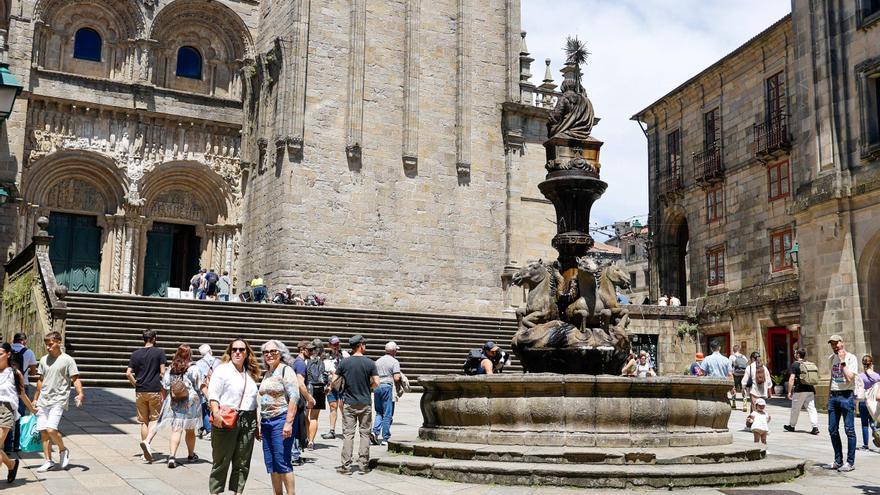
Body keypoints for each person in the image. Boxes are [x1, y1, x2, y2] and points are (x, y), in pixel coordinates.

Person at [208, 339, 261, 495]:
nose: (238, 352)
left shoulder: (250, 373)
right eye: (234, 349)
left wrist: (256, 424)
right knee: (221, 461)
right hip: (226, 418)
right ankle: (215, 492)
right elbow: (213, 394)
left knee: (243, 462)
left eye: (241, 350)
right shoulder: (222, 370)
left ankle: (238, 492)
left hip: (248, 419)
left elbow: (253, 401)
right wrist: (216, 414)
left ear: (247, 353)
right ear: (230, 352)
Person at [33, 331, 84, 472]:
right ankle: (48, 461)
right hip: (44, 399)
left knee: (51, 429)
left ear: (59, 342)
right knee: (43, 432)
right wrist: (35, 398)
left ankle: (63, 450)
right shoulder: (43, 359)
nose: (48, 348)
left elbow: (75, 378)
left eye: (51, 344)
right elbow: (41, 380)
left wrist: (80, 394)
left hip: (59, 399)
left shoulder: (68, 360)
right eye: (46, 345)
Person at [258, 340, 299, 495]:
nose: (269, 355)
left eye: (273, 351)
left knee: (282, 461)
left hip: (281, 420)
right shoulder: (267, 373)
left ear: (281, 353)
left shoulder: (286, 370)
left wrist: (288, 423)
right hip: (267, 421)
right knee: (272, 463)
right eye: (266, 352)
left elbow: (294, 397)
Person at [334, 335, 379, 475]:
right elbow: (377, 383)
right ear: (360, 345)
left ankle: (346, 466)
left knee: (348, 434)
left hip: (349, 402)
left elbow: (334, 381)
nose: (365, 346)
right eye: (364, 344)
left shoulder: (344, 363)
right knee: (365, 433)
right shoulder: (370, 363)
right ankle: (363, 464)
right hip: (365, 402)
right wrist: (368, 386)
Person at [153, 345, 203, 468]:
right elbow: (200, 385)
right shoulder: (193, 368)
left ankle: (172, 456)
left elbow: (164, 386)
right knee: (190, 430)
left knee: (176, 429)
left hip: (175, 400)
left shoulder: (171, 368)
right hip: (190, 401)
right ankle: (191, 455)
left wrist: (163, 400)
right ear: (190, 355)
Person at [126, 329, 167, 462]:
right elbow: (162, 372)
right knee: (155, 419)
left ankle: (145, 451)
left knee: (143, 421)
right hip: (154, 389)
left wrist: (136, 384)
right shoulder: (159, 352)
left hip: (140, 390)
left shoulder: (135, 354)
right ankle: (147, 444)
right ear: (154, 338)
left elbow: (128, 373)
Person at [0, 342, 36, 483]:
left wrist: (33, 410)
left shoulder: (15, 373)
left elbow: (22, 395)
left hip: (6, 411)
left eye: (1, 353)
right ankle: (12, 464)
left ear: (8, 354)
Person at [827, 334, 858, 472]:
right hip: (834, 396)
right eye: (832, 344)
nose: (834, 347)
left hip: (846, 396)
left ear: (842, 343)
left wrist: (842, 361)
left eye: (836, 344)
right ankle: (838, 460)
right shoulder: (831, 358)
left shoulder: (852, 358)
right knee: (832, 429)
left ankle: (850, 463)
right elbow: (832, 378)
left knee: (849, 430)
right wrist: (829, 395)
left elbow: (850, 378)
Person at [4, 332, 37, 454]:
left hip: (7, 385)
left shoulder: (6, 351)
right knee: (21, 415)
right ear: (24, 341)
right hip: (23, 385)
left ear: (14, 340)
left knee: (7, 415)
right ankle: (17, 444)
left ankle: (7, 446)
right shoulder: (28, 352)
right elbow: (33, 372)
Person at [371, 341, 401, 446]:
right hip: (387, 387)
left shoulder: (378, 361)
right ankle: (385, 438)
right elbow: (397, 378)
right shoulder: (394, 362)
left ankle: (374, 431)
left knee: (379, 412)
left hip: (377, 386)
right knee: (387, 413)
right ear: (393, 351)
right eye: (396, 350)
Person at [784, 349, 820, 435]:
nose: (794, 354)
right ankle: (815, 427)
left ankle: (792, 426)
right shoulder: (808, 363)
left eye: (795, 353)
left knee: (795, 409)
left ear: (798, 355)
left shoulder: (795, 364)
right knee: (812, 409)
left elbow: (792, 378)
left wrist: (789, 392)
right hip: (810, 389)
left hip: (800, 390)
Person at [291, 341, 316, 465]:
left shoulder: (296, 362)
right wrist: (309, 398)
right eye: (309, 350)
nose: (312, 352)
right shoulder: (300, 364)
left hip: (296, 399)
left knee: (296, 426)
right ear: (302, 350)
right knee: (297, 427)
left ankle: (294, 453)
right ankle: (294, 455)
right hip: (298, 399)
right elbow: (300, 383)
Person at [321, 336, 349, 440]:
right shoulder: (326, 357)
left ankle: (347, 429)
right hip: (331, 385)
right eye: (334, 344)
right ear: (330, 345)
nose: (336, 346)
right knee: (333, 407)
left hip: (342, 385)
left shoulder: (345, 355)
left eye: (337, 344)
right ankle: (332, 431)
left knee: (343, 407)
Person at [305, 339, 327, 451]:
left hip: (307, 388)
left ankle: (306, 437)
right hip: (319, 389)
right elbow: (330, 375)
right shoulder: (325, 361)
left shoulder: (305, 360)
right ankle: (311, 441)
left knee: (305, 415)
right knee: (314, 417)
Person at [196, 344, 219, 440]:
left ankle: (209, 430)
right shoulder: (218, 361)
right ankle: (215, 428)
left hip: (205, 388)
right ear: (210, 350)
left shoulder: (198, 363)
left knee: (204, 409)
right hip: (217, 387)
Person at [856, 355, 880, 450]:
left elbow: (859, 392)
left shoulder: (860, 376)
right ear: (871, 363)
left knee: (864, 424)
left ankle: (865, 445)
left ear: (863, 364)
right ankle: (878, 438)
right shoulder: (877, 376)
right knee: (874, 423)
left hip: (863, 402)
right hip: (873, 403)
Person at [729, 344, 748, 410]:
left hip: (735, 374)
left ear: (733, 350)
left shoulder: (731, 357)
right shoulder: (744, 357)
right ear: (739, 350)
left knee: (734, 388)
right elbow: (746, 364)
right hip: (743, 374)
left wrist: (730, 375)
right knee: (743, 388)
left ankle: (734, 404)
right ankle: (745, 404)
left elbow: (729, 367)